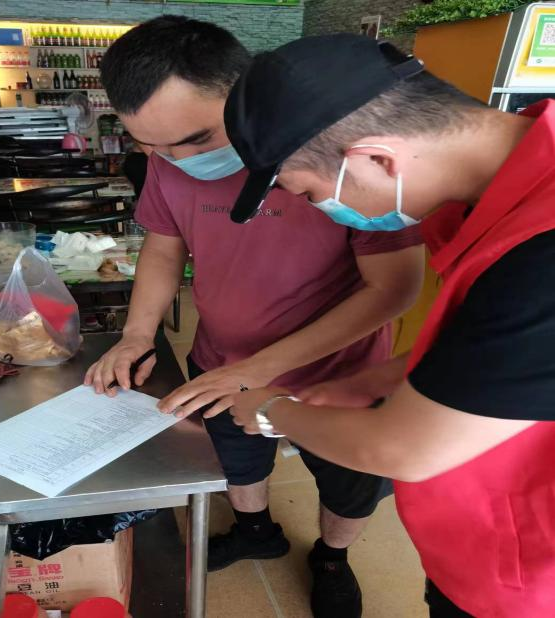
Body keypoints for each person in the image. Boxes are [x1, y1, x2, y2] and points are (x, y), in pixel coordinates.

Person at [85, 18, 424, 616]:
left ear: (250, 93)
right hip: (221, 358)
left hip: (339, 373)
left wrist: (260, 370)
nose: (178, 160)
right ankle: (256, 531)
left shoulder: (332, 154)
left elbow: (393, 289)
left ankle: (332, 557)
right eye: (152, 146)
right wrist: (136, 335)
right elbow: (164, 246)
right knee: (237, 461)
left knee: (348, 483)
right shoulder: (168, 159)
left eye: (195, 139)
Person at [222, 33, 555, 617]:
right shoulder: (512, 192)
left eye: (311, 193)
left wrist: (273, 411)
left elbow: (403, 449)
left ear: (378, 159)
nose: (323, 210)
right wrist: (375, 380)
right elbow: (500, 351)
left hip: (527, 577)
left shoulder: (541, 253)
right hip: (482, 541)